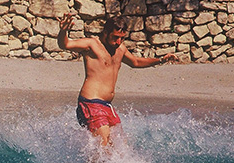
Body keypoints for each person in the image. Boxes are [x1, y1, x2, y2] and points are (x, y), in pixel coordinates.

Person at [58, 13, 178, 147]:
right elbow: (66, 44)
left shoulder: (120, 49)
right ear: (106, 32)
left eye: (122, 38)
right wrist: (63, 30)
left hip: (107, 106)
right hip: (91, 103)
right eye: (115, 37)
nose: (118, 42)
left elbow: (136, 62)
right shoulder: (92, 44)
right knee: (103, 149)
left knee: (120, 149)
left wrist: (161, 60)